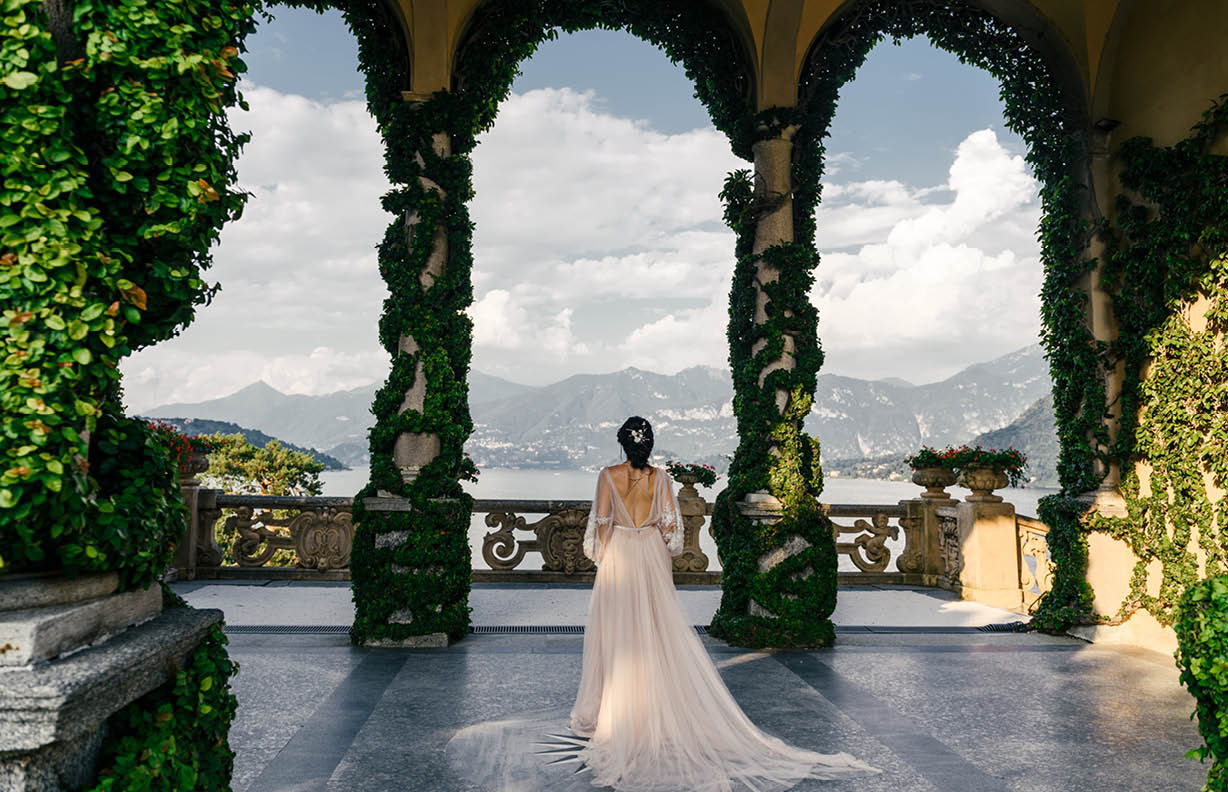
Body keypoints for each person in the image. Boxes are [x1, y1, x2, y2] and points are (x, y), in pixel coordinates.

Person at [567, 416, 879, 791]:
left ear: (622, 443)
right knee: (657, 630)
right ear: (648, 445)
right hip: (649, 554)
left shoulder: (606, 476)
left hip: (620, 555)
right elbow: (672, 531)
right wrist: (654, 544)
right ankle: (651, 707)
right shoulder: (661, 478)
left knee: (616, 631)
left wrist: (604, 554)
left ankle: (612, 714)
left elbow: (600, 524)